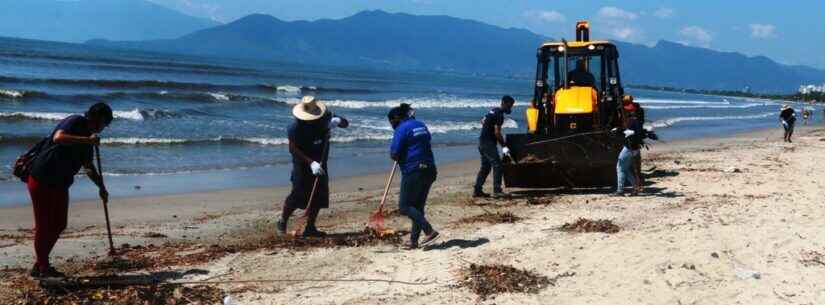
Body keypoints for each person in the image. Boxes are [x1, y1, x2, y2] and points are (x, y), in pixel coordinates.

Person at [27, 103, 112, 278]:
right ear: (97, 118)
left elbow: (88, 167)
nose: (104, 127)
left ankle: (39, 264)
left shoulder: (90, 139)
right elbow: (59, 137)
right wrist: (87, 140)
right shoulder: (76, 121)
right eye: (105, 123)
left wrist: (101, 187)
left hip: (61, 182)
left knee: (59, 224)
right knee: (44, 226)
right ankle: (43, 267)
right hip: (42, 178)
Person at [277, 96, 348, 237]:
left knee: (319, 195)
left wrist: (338, 121)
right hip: (302, 162)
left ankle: (310, 227)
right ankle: (282, 221)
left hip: (321, 159)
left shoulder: (326, 116)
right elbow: (293, 149)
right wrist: (311, 163)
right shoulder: (295, 127)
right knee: (297, 194)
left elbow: (346, 124)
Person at [387, 103, 440, 250]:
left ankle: (429, 231)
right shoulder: (420, 125)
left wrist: (399, 154)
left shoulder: (401, 128)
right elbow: (424, 141)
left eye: (391, 123)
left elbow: (394, 154)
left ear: (396, 118)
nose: (392, 126)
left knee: (404, 207)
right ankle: (413, 241)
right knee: (418, 207)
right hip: (430, 169)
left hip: (414, 170)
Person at [474, 96, 516, 198]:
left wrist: (488, 127)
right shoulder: (499, 115)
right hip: (488, 143)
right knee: (498, 165)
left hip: (481, 142)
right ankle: (497, 191)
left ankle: (477, 190)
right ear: (505, 104)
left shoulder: (493, 111)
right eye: (510, 106)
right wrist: (504, 146)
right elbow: (497, 133)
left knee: (485, 167)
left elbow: (482, 121)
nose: (510, 109)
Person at [611, 103, 643, 196]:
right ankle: (635, 188)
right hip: (635, 148)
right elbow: (635, 133)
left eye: (628, 110)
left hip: (630, 148)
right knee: (625, 169)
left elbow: (636, 133)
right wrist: (620, 130)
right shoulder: (636, 120)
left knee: (620, 168)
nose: (625, 111)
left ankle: (620, 191)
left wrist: (623, 131)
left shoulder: (632, 121)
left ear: (632, 111)